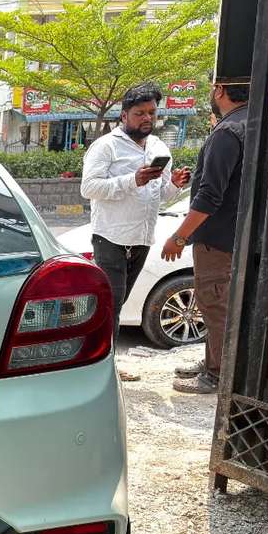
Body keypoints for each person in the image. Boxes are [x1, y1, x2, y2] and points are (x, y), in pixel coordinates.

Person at [81, 83, 192, 381]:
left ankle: (102, 364)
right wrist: (133, 180)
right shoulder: (106, 146)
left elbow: (160, 195)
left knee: (119, 304)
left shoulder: (159, 148)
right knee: (110, 306)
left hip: (142, 238)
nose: (147, 118)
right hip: (110, 238)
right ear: (124, 115)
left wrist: (175, 184)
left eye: (152, 113)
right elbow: (88, 188)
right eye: (140, 113)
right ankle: (103, 369)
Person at [161, 81, 249, 394]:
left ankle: (218, 374)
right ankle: (214, 361)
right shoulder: (260, 123)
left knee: (214, 305)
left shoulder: (228, 131)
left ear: (219, 90)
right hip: (244, 236)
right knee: (225, 305)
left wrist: (179, 237)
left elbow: (210, 196)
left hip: (219, 240)